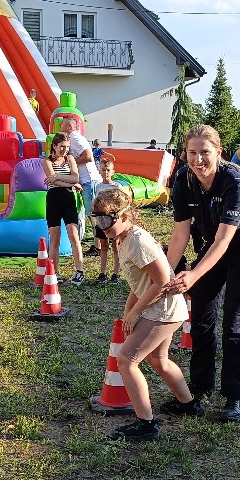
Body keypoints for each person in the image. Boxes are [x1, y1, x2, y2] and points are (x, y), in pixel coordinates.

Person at [163, 125, 240, 423]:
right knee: (201, 320)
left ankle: (234, 397)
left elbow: (225, 240)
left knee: (234, 325)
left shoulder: (235, 179)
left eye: (205, 153)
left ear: (219, 152)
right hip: (210, 249)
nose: (198, 160)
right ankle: (199, 387)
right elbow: (181, 233)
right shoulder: (182, 178)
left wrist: (193, 274)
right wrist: (167, 274)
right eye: (192, 153)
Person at [92, 189, 197, 441]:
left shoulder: (138, 242)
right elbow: (139, 284)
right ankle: (189, 404)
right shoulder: (123, 239)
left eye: (107, 220)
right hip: (162, 308)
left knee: (127, 360)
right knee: (159, 361)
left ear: (126, 216)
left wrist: (137, 311)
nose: (102, 227)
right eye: (97, 220)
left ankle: (146, 425)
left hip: (164, 310)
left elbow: (162, 281)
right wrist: (129, 312)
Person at [60, 116, 101, 282]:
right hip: (86, 181)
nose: (60, 128)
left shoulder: (75, 138)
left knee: (94, 215)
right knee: (93, 214)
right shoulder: (74, 138)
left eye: (62, 125)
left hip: (89, 180)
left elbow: (88, 156)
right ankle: (98, 244)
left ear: (69, 127)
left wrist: (71, 163)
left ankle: (98, 245)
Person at [41, 133, 84, 284]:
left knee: (74, 235)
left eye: (67, 147)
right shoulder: (46, 161)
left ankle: (79, 271)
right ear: (54, 146)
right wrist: (70, 183)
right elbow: (55, 182)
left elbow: (76, 178)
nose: (64, 150)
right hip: (54, 199)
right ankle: (55, 272)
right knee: (55, 238)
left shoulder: (70, 159)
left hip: (68, 199)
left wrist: (58, 177)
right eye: (62, 147)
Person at [93, 155, 126, 285]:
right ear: (100, 171)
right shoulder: (98, 187)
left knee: (116, 246)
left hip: (113, 221)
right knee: (103, 246)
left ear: (113, 172)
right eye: (103, 170)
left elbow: (124, 201)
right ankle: (102, 273)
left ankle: (116, 273)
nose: (105, 173)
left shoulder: (117, 186)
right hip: (101, 221)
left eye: (108, 170)